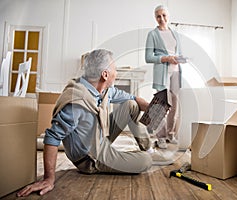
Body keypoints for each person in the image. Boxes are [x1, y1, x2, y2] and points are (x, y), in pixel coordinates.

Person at [17, 49, 154, 197]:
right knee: (146, 162)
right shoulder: (76, 102)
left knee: (130, 104)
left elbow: (133, 98)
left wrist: (152, 108)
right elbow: (52, 137)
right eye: (115, 69)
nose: (117, 73)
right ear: (105, 74)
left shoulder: (101, 89)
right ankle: (137, 157)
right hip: (91, 158)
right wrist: (48, 179)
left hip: (100, 139)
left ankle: (147, 148)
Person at [145, 5, 185, 149]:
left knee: (174, 106)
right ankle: (160, 137)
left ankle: (170, 134)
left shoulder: (176, 34)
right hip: (161, 75)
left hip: (175, 73)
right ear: (155, 18)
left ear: (168, 16)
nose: (161, 19)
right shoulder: (153, 34)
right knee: (160, 107)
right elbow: (148, 57)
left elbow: (178, 53)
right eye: (158, 16)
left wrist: (181, 59)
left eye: (164, 15)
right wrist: (166, 58)